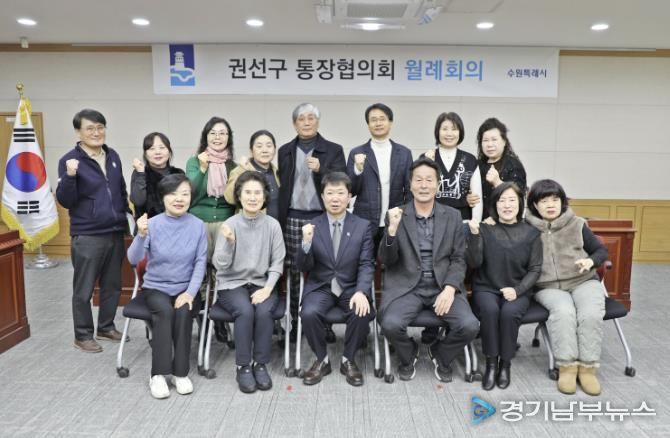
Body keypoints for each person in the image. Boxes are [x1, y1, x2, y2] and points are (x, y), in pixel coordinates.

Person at [378, 157, 479, 382]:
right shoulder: (396, 214)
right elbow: (386, 260)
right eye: (418, 180)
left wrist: (450, 288)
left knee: (470, 326)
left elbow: (458, 258)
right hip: (407, 287)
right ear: (410, 184)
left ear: (438, 184)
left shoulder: (453, 216)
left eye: (429, 180)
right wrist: (391, 231)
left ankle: (441, 354)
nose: (424, 185)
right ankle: (408, 354)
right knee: (390, 325)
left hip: (442, 285)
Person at [127, 174, 207, 399]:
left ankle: (180, 373)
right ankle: (158, 374)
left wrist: (189, 293)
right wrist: (140, 235)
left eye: (185, 194)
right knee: (164, 311)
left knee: (183, 311)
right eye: (173, 194)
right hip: (156, 287)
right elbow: (133, 259)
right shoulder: (152, 224)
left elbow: (200, 263)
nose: (179, 199)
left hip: (187, 288)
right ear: (163, 197)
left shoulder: (198, 226)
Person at [526, 179, 608, 396]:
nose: (550, 205)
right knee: (564, 313)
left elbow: (601, 251)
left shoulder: (577, 224)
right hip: (548, 286)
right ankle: (567, 367)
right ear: (534, 205)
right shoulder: (526, 228)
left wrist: (591, 261)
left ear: (562, 202)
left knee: (590, 314)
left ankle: (588, 369)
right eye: (544, 201)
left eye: (555, 199)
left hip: (583, 281)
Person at [56, 109, 129, 353]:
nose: (96, 133)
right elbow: (66, 200)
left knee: (112, 285)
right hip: (88, 234)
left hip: (115, 231)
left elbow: (120, 190)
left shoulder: (113, 156)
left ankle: (106, 327)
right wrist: (70, 175)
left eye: (100, 127)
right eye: (90, 128)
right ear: (78, 132)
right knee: (84, 289)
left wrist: (126, 218)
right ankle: (83, 335)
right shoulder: (69, 160)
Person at [296, 172, 375, 387]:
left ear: (349, 196)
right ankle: (322, 360)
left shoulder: (362, 226)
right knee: (309, 313)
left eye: (340, 193)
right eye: (330, 193)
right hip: (321, 286)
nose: (335, 198)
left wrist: (361, 291)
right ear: (323, 197)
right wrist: (306, 244)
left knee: (361, 311)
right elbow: (303, 267)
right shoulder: (312, 225)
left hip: (350, 287)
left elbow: (366, 263)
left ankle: (348, 359)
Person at [278, 103, 346, 343]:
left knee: (325, 270)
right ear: (294, 124)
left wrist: (322, 169)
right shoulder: (285, 150)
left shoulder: (333, 150)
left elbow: (342, 181)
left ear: (318, 122)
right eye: (301, 119)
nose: (306, 122)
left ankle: (324, 323)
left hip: (322, 217)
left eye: (311, 118)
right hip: (292, 217)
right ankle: (296, 324)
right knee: (295, 272)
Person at [213, 171, 286, 394]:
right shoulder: (230, 224)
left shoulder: (272, 225)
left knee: (264, 311)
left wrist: (268, 289)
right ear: (239, 195)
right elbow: (220, 265)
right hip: (232, 283)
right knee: (245, 311)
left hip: (262, 283)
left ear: (264, 196)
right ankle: (243, 366)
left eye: (257, 193)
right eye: (247, 192)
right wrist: (228, 243)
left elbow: (278, 262)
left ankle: (260, 364)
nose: (253, 197)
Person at [466, 182, 542, 391]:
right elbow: (474, 263)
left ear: (520, 203)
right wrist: (474, 235)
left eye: (511, 200)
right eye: (501, 201)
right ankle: (491, 363)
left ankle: (505, 364)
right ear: (494, 204)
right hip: (486, 286)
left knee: (509, 313)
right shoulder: (485, 228)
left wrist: (517, 290)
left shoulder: (531, 233)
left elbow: (535, 269)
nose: (507, 205)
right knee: (490, 311)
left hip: (519, 288)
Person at [186, 116, 237, 342]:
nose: (218, 137)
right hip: (199, 222)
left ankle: (220, 321)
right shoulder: (194, 161)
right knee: (200, 273)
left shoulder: (232, 166)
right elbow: (191, 194)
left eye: (223, 133)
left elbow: (233, 199)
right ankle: (202, 320)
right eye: (213, 133)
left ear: (229, 138)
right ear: (205, 136)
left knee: (222, 273)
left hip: (225, 223)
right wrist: (203, 169)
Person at [346, 103, 412, 249]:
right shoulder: (356, 153)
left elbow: (409, 189)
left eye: (382, 119)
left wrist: (406, 218)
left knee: (393, 260)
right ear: (368, 125)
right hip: (364, 221)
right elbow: (350, 191)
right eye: (373, 120)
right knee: (364, 259)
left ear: (390, 123)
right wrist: (358, 169)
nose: (378, 123)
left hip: (395, 221)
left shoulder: (404, 153)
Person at [424, 111, 482, 223]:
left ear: (460, 132)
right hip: (432, 222)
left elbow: (476, 198)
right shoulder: (427, 158)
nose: (449, 133)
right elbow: (421, 194)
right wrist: (427, 163)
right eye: (444, 129)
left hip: (463, 222)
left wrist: (475, 225)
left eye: (454, 129)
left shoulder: (470, 160)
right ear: (437, 131)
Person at [471, 118, 527, 219]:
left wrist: (498, 182)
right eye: (485, 140)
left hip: (504, 223)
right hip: (480, 223)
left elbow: (518, 197)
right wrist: (469, 198)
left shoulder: (513, 165)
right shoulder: (477, 165)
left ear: (504, 141)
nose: (490, 144)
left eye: (494, 139)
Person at [224, 129, 280, 220]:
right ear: (251, 150)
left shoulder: (277, 172)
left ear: (274, 149)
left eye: (269, 146)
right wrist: (244, 170)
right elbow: (230, 198)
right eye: (259, 146)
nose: (264, 150)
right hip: (249, 225)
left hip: (275, 226)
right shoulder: (240, 170)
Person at [130, 132, 184, 219]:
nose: (157, 152)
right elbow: (138, 201)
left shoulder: (178, 174)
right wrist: (140, 173)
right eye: (152, 149)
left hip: (176, 224)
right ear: (145, 154)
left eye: (162, 148)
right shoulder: (140, 173)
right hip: (147, 225)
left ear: (169, 152)